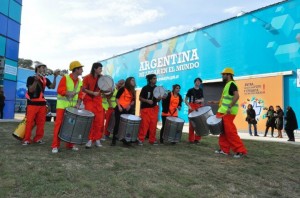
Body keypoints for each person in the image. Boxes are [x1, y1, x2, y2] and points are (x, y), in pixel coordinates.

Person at [208, 67, 247, 158]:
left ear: (228, 75)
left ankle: (240, 151)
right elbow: (226, 99)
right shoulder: (228, 84)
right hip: (223, 112)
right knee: (223, 132)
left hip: (228, 112)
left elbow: (236, 96)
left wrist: (229, 107)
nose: (222, 76)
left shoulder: (232, 84)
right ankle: (224, 150)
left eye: (223, 74)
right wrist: (216, 102)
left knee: (230, 132)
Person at [51, 61, 84, 153]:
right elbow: (60, 90)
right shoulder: (65, 78)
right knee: (59, 126)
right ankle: (55, 146)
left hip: (73, 107)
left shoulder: (80, 81)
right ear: (76, 69)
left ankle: (70, 144)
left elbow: (81, 94)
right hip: (62, 106)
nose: (82, 70)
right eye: (81, 68)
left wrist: (78, 104)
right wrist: (69, 93)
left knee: (72, 126)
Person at [22, 63, 58, 145]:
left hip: (42, 104)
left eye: (45, 68)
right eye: (43, 67)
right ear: (37, 68)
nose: (45, 69)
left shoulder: (45, 79)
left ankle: (38, 138)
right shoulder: (31, 78)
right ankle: (27, 139)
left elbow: (52, 86)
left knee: (41, 123)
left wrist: (55, 77)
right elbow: (31, 90)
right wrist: (35, 80)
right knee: (29, 122)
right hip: (32, 103)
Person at [76, 62, 105, 148]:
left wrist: (108, 89)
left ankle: (97, 139)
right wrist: (92, 93)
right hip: (89, 100)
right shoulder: (87, 78)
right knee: (90, 121)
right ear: (95, 69)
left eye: (101, 68)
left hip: (98, 101)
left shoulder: (102, 78)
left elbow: (103, 90)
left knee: (99, 121)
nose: (101, 70)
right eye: (100, 68)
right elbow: (83, 89)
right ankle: (89, 139)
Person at [111, 77, 136, 146]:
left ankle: (125, 140)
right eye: (132, 80)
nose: (134, 82)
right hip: (120, 108)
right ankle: (114, 140)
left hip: (127, 109)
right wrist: (119, 106)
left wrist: (130, 105)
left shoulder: (133, 91)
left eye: (134, 80)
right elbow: (117, 98)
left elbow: (133, 101)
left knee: (126, 126)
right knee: (117, 124)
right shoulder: (122, 89)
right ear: (128, 81)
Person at [137, 74, 161, 145]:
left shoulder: (157, 88)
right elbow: (140, 98)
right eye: (154, 78)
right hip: (145, 109)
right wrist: (147, 101)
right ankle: (140, 139)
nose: (155, 80)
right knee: (144, 125)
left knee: (153, 125)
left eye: (156, 78)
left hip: (154, 109)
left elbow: (157, 100)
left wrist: (159, 98)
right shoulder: (145, 88)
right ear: (150, 80)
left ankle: (152, 140)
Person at [185, 77, 204, 144]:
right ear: (195, 82)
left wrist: (199, 100)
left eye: (199, 81)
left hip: (199, 107)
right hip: (192, 107)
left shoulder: (201, 90)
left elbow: (203, 100)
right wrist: (189, 106)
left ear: (200, 83)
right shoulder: (190, 90)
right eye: (197, 81)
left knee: (199, 124)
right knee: (192, 124)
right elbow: (186, 100)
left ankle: (197, 139)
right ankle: (191, 139)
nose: (198, 82)